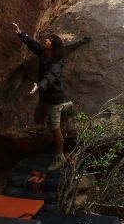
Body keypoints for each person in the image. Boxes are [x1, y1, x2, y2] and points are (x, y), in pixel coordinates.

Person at [13, 22, 89, 170]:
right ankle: (66, 107)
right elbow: (33, 45)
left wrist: (39, 85)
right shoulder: (43, 53)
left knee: (55, 129)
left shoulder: (57, 63)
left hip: (53, 99)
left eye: (49, 40)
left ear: (53, 46)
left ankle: (59, 156)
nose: (46, 40)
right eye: (47, 39)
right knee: (37, 119)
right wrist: (20, 33)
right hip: (43, 96)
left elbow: (50, 77)